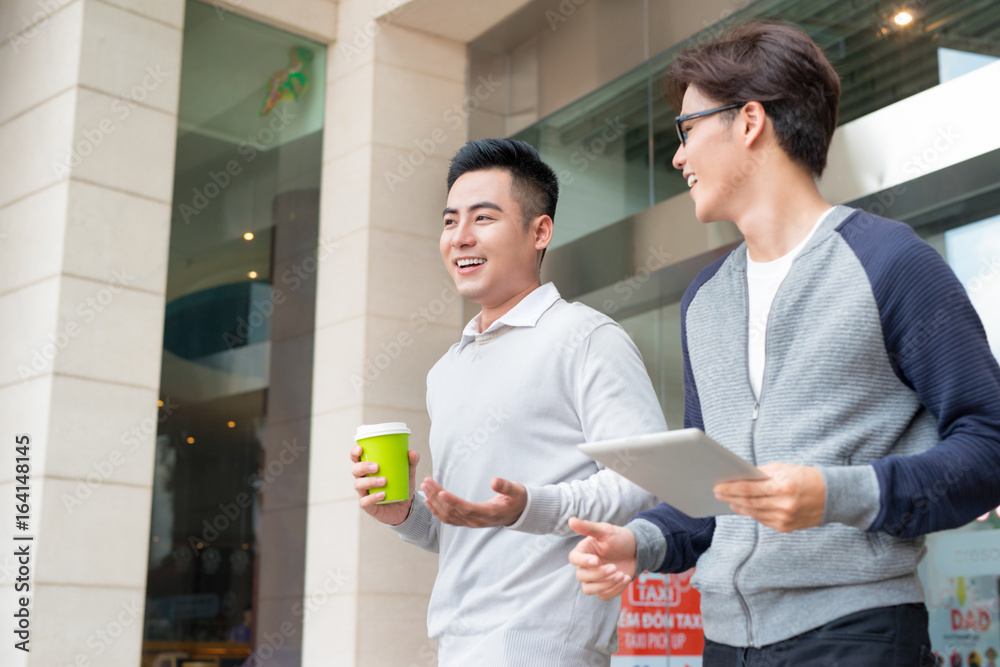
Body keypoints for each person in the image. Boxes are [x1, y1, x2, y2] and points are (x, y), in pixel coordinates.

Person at [568, 19, 1000, 666]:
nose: (679, 156)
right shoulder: (702, 301)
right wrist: (641, 543)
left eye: (687, 131)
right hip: (724, 645)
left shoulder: (892, 263)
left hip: (856, 636)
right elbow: (713, 501)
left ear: (748, 122)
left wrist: (835, 494)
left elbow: (990, 444)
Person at [350, 138, 667, 666]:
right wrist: (405, 513)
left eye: (484, 218)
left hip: (547, 647)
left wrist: (530, 506)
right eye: (450, 221)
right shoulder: (447, 370)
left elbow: (645, 481)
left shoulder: (586, 337)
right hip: (456, 645)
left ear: (539, 231)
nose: (461, 237)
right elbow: (469, 527)